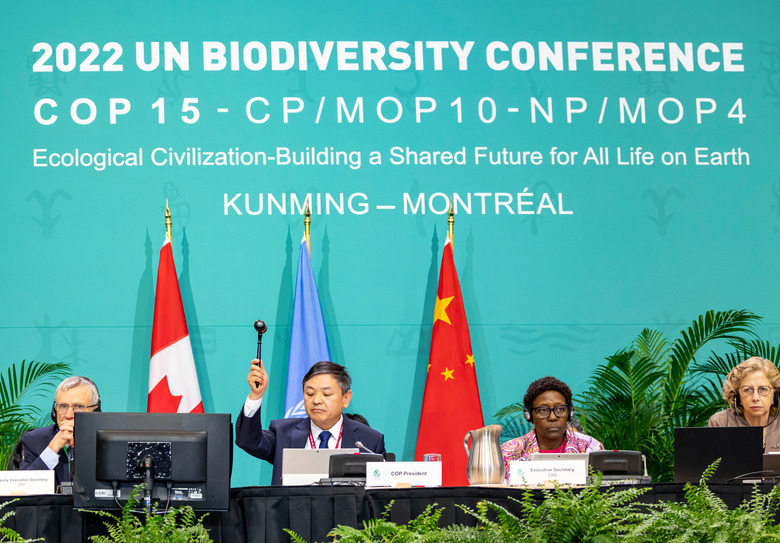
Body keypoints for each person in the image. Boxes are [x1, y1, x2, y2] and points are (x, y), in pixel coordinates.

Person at [235, 359, 387, 485]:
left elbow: (379, 495)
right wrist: (256, 395)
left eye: (326, 394)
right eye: (310, 393)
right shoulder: (283, 433)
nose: (316, 400)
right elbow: (248, 440)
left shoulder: (369, 441)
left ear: (346, 398)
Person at [501, 376, 603, 480]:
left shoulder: (589, 448)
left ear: (569, 414)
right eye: (543, 410)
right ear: (529, 416)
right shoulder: (508, 452)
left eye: (560, 409)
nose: (553, 417)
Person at [19, 375, 101, 487]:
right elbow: (24, 488)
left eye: (78, 406)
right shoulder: (35, 440)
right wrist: (52, 449)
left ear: (95, 410)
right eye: (63, 406)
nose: (68, 415)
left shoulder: (108, 442)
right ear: (55, 410)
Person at [708, 356, 780, 452]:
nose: (755, 398)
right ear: (737, 396)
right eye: (747, 390)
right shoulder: (720, 423)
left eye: (763, 389)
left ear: (775, 395)